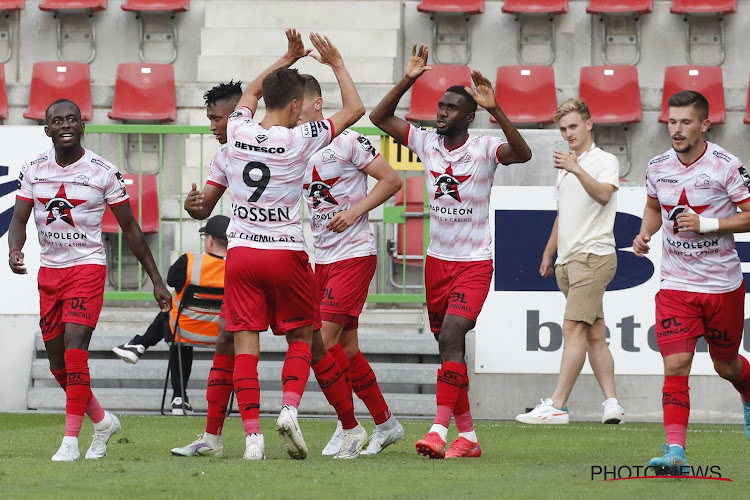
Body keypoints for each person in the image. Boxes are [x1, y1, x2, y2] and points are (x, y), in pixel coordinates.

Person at [183, 29, 366, 461]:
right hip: (285, 251)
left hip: (242, 252)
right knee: (303, 337)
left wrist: (284, 57)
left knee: (244, 341)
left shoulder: (238, 133)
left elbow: (248, 89)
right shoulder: (300, 139)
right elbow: (356, 109)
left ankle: (252, 439)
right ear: (297, 105)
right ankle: (289, 407)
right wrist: (336, 62)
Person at [370, 44, 532, 459]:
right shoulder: (427, 143)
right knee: (449, 351)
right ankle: (469, 438)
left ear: (470, 116)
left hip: (474, 263)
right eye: (441, 106)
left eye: (451, 108)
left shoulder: (483, 148)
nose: (441, 113)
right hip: (437, 262)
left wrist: (498, 110)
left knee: (451, 335)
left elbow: (522, 153)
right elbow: (379, 118)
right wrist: (408, 79)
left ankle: (438, 431)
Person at [8, 99, 172, 461]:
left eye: (72, 119)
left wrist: (157, 282)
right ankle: (101, 421)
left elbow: (130, 229)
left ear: (82, 126)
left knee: (75, 347)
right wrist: (15, 250)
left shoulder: (103, 171)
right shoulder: (33, 169)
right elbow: (18, 220)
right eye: (57, 120)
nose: (65, 124)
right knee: (57, 365)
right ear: (47, 129)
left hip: (87, 268)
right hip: (50, 273)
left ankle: (70, 441)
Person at [633, 90, 750, 475]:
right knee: (677, 363)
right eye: (672, 121)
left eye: (685, 122)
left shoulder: (726, 165)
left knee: (727, 366)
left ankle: (747, 394)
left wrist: (708, 224)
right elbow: (654, 206)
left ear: (704, 124)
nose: (677, 129)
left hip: (722, 286)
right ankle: (675, 453)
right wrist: (645, 233)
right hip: (676, 285)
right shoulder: (657, 165)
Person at [298, 74, 405, 456]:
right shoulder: (298, 147)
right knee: (347, 350)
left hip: (354, 254)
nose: (293, 114)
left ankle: (349, 427)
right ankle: (386, 424)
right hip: (322, 258)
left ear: (316, 104)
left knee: (321, 345)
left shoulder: (347, 141)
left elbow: (392, 181)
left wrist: (354, 211)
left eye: (299, 105)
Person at [515, 99, 624, 426]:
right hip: (569, 261)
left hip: (594, 256)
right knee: (594, 334)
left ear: (589, 124)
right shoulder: (567, 167)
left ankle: (558, 405)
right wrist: (549, 253)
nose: (568, 133)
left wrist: (576, 167)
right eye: (563, 129)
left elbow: (604, 195)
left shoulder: (605, 160)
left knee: (572, 328)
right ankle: (612, 403)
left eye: (573, 126)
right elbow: (564, 214)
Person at [112, 215, 229, 416]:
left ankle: (142, 346)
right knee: (176, 313)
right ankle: (140, 347)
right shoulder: (238, 267)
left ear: (209, 240)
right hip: (222, 335)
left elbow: (172, 280)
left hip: (185, 329)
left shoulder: (191, 261)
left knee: (172, 306)